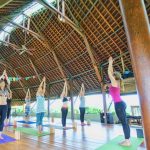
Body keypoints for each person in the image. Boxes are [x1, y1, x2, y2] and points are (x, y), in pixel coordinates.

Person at [108, 56, 131, 146]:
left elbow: (109, 73)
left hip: (119, 105)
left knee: (124, 123)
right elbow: (110, 73)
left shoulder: (114, 82)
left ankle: (127, 141)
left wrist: (110, 63)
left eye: (112, 75)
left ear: (114, 76)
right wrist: (111, 64)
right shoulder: (116, 82)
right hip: (120, 104)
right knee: (124, 122)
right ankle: (127, 140)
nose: (111, 76)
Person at [0, 70, 10, 139]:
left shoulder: (6, 90)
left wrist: (6, 76)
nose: (2, 84)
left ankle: (0, 134)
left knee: (2, 120)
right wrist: (2, 75)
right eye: (1, 83)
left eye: (3, 83)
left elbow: (9, 82)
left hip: (5, 106)